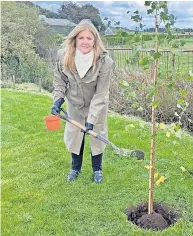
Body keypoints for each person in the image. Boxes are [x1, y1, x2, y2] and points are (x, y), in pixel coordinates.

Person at [51, 19, 114, 183]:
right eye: (81, 38)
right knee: (75, 135)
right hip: (74, 104)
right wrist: (58, 100)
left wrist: (92, 120)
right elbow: (60, 81)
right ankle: (75, 168)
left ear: (95, 41)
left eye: (89, 38)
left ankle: (97, 170)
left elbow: (101, 94)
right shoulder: (64, 57)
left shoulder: (104, 62)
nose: (85, 42)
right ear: (75, 39)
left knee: (96, 135)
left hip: (97, 105)